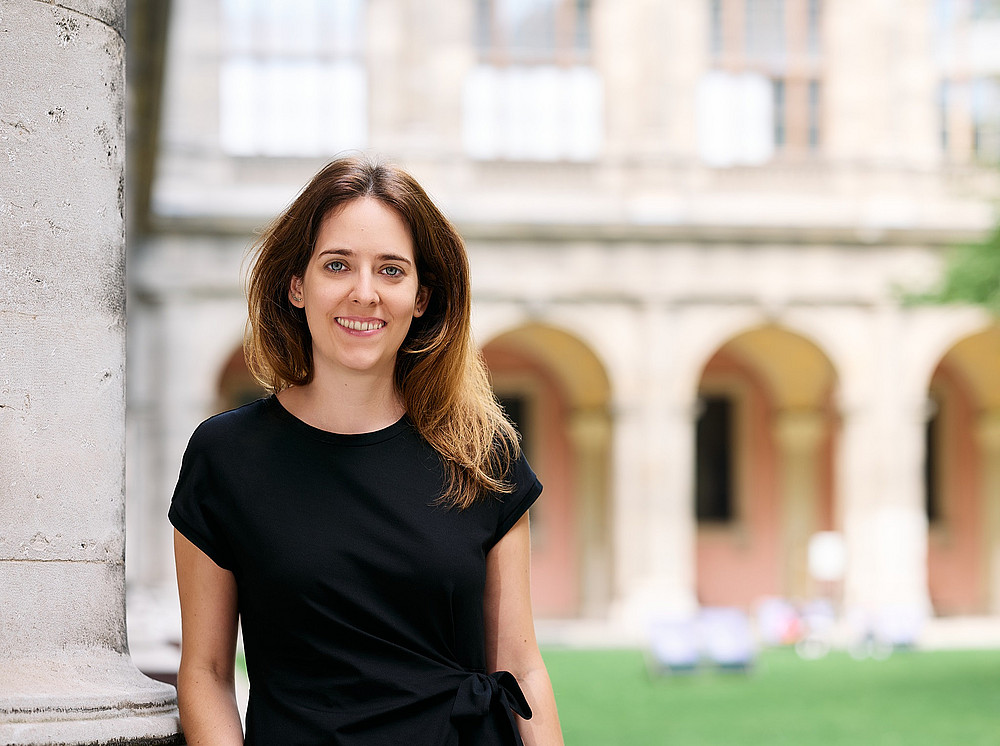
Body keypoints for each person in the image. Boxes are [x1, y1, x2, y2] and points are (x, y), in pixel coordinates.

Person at [169, 155, 564, 745]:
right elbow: (205, 674)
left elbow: (522, 666)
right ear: (297, 286)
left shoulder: (482, 453)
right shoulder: (225, 457)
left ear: (421, 297)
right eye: (337, 265)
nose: (365, 293)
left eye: (391, 270)